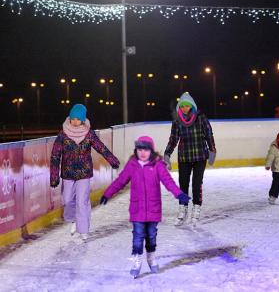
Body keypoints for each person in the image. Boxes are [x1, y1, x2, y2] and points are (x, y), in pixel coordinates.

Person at [100, 136, 190, 278]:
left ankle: (151, 257)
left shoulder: (158, 165)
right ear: (136, 150)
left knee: (151, 236)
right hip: (137, 210)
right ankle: (137, 260)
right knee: (137, 236)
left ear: (151, 151)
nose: (142, 153)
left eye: (146, 149)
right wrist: (107, 193)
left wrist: (179, 194)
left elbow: (168, 182)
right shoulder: (132, 165)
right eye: (140, 149)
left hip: (153, 208)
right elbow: (120, 181)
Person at [50, 104, 120, 240]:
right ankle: (73, 219)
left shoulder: (89, 134)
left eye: (78, 119)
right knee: (67, 199)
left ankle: (83, 230)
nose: (75, 121)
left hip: (84, 173)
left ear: (83, 120)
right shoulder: (63, 135)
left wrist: (113, 160)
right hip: (68, 174)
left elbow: (101, 148)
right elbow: (55, 155)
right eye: (73, 119)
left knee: (82, 201)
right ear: (69, 119)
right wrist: (54, 176)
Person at [164, 92, 216, 226]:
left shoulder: (201, 118)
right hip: (184, 157)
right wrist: (167, 154)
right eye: (182, 106)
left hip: (200, 156)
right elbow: (173, 139)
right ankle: (183, 209)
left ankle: (196, 208)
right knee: (183, 184)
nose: (185, 108)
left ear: (192, 106)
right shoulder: (177, 121)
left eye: (187, 106)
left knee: (197, 184)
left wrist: (212, 150)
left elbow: (208, 134)